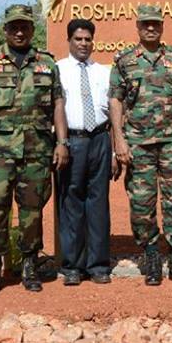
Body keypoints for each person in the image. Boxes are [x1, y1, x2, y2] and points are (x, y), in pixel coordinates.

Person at [0, 4, 69, 296]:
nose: (19, 32)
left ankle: (29, 266)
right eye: (14, 27)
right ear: (5, 29)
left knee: (32, 211)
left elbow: (58, 104)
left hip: (37, 150)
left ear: (33, 29)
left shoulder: (47, 63)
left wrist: (62, 142)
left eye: (24, 27)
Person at [109, 5, 172, 286]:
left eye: (155, 23)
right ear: (137, 26)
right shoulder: (124, 60)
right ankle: (151, 255)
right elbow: (115, 100)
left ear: (162, 26)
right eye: (146, 23)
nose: (151, 28)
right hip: (138, 143)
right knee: (141, 202)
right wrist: (119, 139)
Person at [56, 18, 118, 286]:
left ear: (93, 41)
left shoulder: (103, 72)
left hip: (100, 139)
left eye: (87, 39)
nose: (83, 43)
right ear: (69, 40)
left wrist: (114, 151)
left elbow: (113, 111)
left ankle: (98, 265)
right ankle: (72, 265)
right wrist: (61, 143)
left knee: (98, 202)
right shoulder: (57, 70)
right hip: (72, 140)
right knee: (71, 202)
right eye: (78, 39)